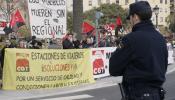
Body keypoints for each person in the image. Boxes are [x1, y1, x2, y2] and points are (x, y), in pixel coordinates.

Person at [109, 1, 168, 100]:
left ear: (135, 16)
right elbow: (163, 66)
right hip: (157, 94)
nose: (130, 21)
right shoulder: (160, 38)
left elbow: (113, 68)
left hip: (137, 94)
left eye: (130, 18)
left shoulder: (130, 39)